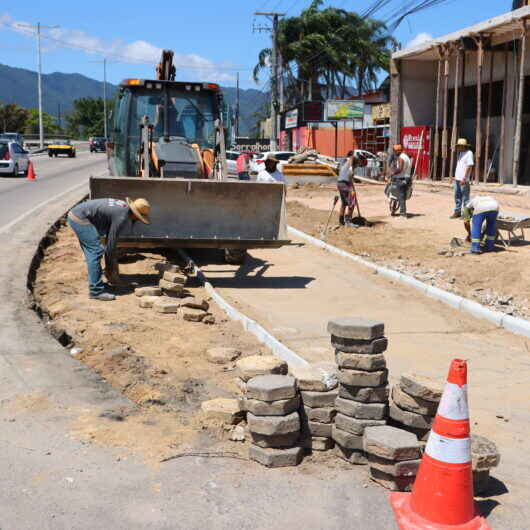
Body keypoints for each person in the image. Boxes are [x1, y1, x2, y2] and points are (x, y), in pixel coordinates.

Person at [67, 197, 151, 301]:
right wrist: (111, 269)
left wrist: (109, 264)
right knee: (95, 252)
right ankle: (96, 291)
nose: (136, 220)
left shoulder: (123, 208)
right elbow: (111, 244)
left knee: (92, 252)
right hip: (80, 218)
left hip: (79, 214)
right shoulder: (122, 216)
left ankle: (98, 284)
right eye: (138, 218)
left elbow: (109, 240)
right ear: (134, 213)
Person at [451, 138, 474, 218]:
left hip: (464, 179)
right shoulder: (461, 153)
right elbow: (460, 166)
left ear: (464, 146)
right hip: (458, 179)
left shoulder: (469, 153)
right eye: (458, 146)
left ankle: (467, 214)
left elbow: (469, 165)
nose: (458, 147)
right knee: (457, 197)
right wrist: (456, 176)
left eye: (459, 146)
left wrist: (464, 178)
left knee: (465, 197)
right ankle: (457, 212)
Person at [388, 144, 412, 217]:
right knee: (401, 195)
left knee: (401, 196)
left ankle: (403, 213)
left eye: (395, 151)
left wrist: (392, 173)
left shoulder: (401, 157)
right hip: (406, 178)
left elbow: (400, 169)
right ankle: (399, 211)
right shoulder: (406, 157)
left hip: (402, 178)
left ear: (399, 150)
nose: (394, 153)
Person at [337, 150, 357, 226]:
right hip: (344, 184)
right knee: (352, 202)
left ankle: (341, 221)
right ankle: (348, 221)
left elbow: (349, 177)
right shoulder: (350, 160)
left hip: (340, 183)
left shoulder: (345, 163)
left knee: (344, 203)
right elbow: (352, 158)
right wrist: (351, 168)